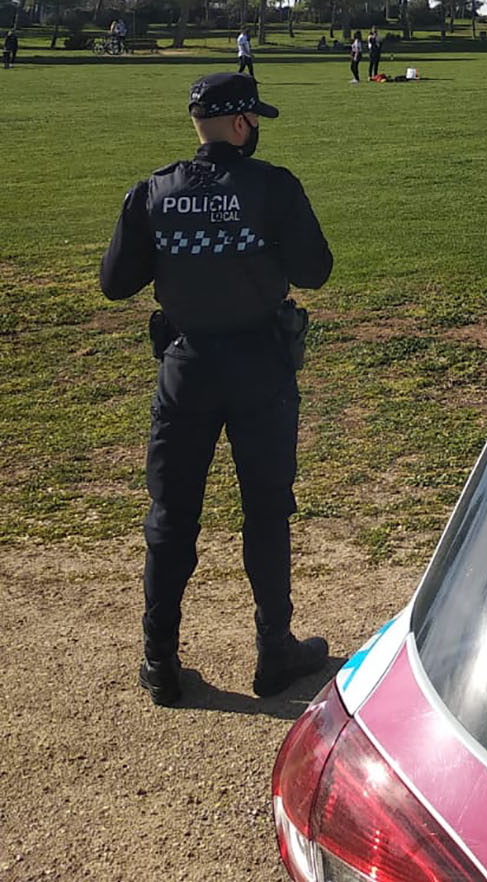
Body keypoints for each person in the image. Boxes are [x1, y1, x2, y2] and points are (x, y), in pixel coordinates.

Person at [98, 72, 333, 707]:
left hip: (185, 367)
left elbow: (116, 282)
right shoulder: (273, 187)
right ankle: (273, 650)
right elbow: (315, 271)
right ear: (238, 124)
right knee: (266, 510)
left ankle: (159, 660)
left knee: (172, 515)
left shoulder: (154, 191)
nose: (257, 129)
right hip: (260, 366)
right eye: (254, 119)